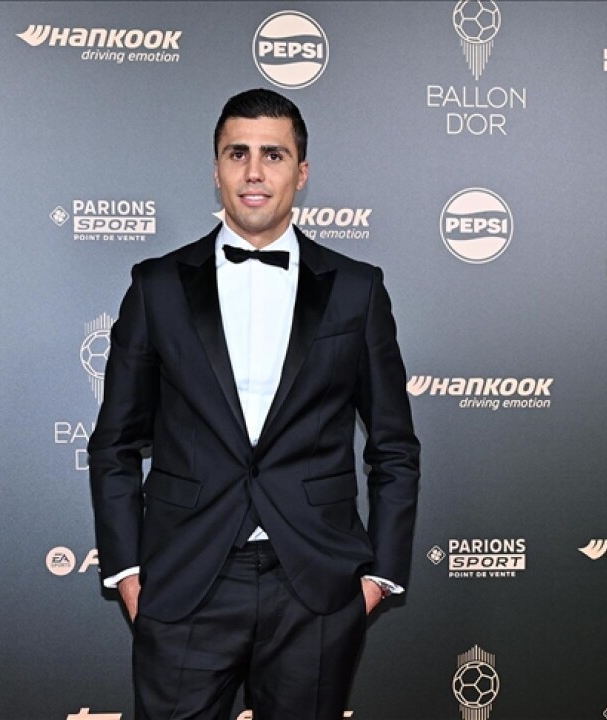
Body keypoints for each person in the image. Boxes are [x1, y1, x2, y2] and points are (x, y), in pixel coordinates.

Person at [88, 88, 420, 720]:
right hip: (186, 581)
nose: (254, 171)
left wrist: (379, 578)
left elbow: (394, 446)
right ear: (216, 169)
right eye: (237, 153)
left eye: (274, 154)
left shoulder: (357, 289)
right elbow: (115, 443)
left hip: (316, 586)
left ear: (302, 171)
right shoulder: (157, 286)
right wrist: (127, 571)